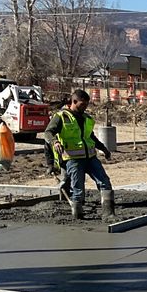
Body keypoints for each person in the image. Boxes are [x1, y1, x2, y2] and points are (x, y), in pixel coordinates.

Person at [42, 89, 115, 221]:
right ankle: (78, 216)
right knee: (78, 188)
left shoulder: (86, 118)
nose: (85, 107)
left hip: (90, 158)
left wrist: (104, 149)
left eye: (86, 104)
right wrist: (55, 142)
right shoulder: (61, 117)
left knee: (104, 182)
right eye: (82, 104)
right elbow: (48, 133)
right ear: (74, 102)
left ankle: (108, 213)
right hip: (73, 159)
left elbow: (90, 137)